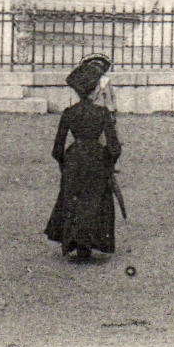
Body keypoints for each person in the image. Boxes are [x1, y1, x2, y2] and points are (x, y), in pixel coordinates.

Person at [44, 55, 123, 260]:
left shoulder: (69, 113)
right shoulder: (102, 113)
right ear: (94, 89)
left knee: (73, 200)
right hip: (96, 158)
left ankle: (74, 241)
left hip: (74, 157)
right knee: (95, 200)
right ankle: (91, 241)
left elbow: (57, 149)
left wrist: (64, 164)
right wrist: (108, 162)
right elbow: (114, 147)